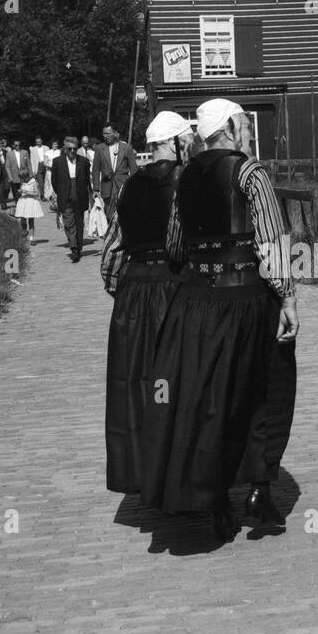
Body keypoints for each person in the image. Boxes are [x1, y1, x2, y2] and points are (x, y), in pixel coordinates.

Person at [139, 98, 298, 541]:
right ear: (230, 126)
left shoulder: (185, 177)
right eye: (245, 123)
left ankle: (216, 498)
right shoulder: (251, 173)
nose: (247, 130)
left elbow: (174, 248)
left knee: (210, 398)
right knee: (266, 390)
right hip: (250, 301)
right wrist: (288, 300)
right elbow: (272, 242)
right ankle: (260, 491)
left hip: (198, 304)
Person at [101, 110, 193, 496]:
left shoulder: (127, 188)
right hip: (172, 288)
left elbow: (109, 256)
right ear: (176, 144)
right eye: (187, 141)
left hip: (133, 292)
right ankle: (178, 474)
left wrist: (123, 292)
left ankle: (141, 474)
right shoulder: (184, 182)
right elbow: (184, 243)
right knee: (177, 383)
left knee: (137, 387)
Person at [51, 136, 92, 263]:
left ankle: (78, 247)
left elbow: (86, 180)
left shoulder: (83, 161)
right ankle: (74, 248)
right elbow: (54, 181)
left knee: (79, 223)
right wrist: (61, 192)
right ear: (65, 149)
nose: (73, 151)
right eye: (70, 149)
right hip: (65, 194)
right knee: (69, 223)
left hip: (79, 194)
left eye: (74, 149)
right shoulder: (57, 161)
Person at [94, 125, 137, 212]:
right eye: (104, 134)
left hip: (123, 187)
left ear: (115, 134)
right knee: (108, 217)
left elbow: (134, 169)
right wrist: (96, 189)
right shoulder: (99, 149)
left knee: (124, 214)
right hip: (107, 190)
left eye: (108, 133)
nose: (105, 136)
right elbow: (95, 170)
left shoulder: (126, 148)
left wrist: (133, 187)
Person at [14, 168, 45, 244]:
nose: (22, 180)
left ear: (27, 176)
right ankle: (24, 232)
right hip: (23, 202)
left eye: (23, 179)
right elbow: (22, 190)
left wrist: (27, 192)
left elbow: (37, 194)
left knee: (31, 220)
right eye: (21, 179)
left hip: (31, 202)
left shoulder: (33, 182)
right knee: (22, 219)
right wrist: (20, 191)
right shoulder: (23, 182)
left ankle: (32, 238)